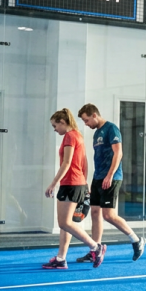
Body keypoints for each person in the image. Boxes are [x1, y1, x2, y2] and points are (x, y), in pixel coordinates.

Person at [76, 104, 146, 263]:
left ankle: (136, 240)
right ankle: (95, 250)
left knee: (108, 215)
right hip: (98, 177)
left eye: (87, 120)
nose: (86, 124)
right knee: (95, 213)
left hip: (111, 178)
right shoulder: (97, 133)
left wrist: (109, 175)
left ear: (94, 115)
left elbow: (118, 153)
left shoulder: (111, 129)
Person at [44, 108, 107, 269]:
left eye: (55, 126)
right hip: (75, 183)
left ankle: (95, 247)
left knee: (64, 223)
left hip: (71, 184)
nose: (55, 129)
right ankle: (61, 258)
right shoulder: (78, 136)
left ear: (62, 122)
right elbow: (84, 162)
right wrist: (84, 183)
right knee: (65, 223)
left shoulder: (70, 136)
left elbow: (66, 162)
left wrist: (53, 183)